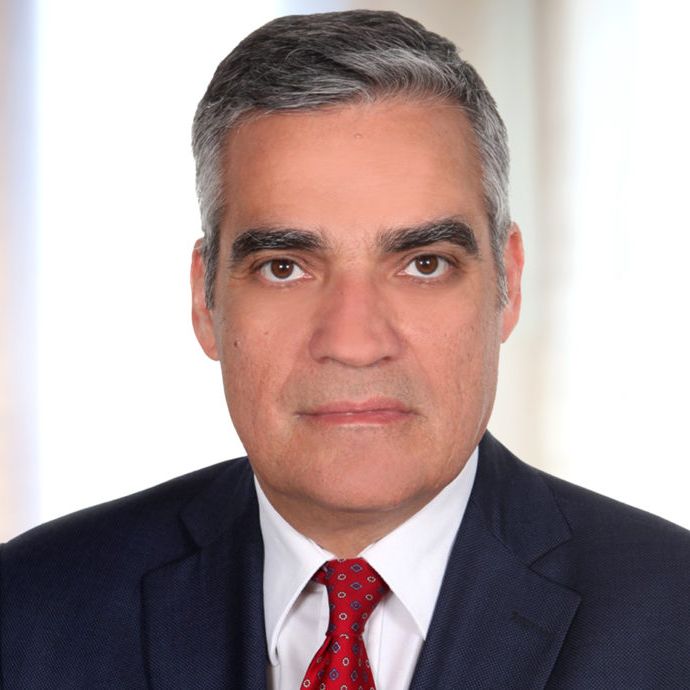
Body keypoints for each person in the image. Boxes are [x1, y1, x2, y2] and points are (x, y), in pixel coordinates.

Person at [1, 10, 688, 689]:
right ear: (205, 301)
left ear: (507, 285)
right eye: (284, 267)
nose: (355, 344)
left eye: (423, 264)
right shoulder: (26, 611)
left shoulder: (673, 619)